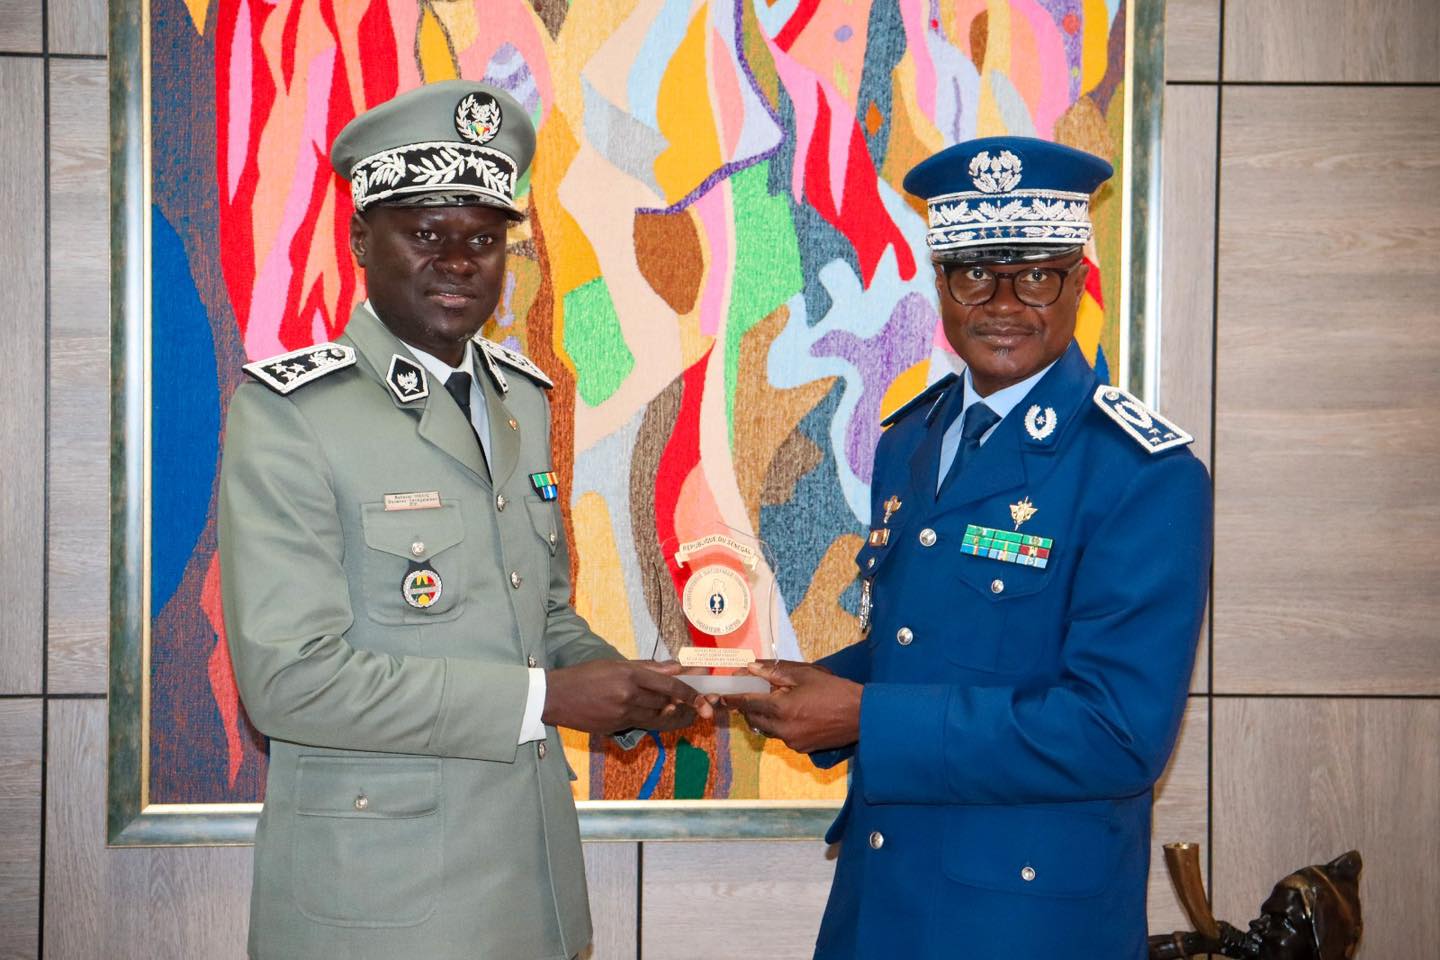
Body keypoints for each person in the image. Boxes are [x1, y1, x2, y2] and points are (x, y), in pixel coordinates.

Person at [218, 80, 707, 960]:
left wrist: (621, 687)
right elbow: (289, 680)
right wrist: (549, 698)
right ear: (363, 239)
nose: (458, 260)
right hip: (381, 902)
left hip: (530, 885)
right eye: (426, 234)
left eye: (483, 238)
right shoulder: (291, 411)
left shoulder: (517, 395)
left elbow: (537, 614)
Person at [727, 136, 1213, 959]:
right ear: (940, 280)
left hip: (1026, 923)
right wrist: (797, 687)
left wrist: (866, 717)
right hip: (882, 903)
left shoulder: (1140, 473)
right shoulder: (912, 439)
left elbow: (1115, 734)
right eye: (973, 272)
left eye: (1036, 274)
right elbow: (927, 649)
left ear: (1079, 280)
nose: (1004, 303)